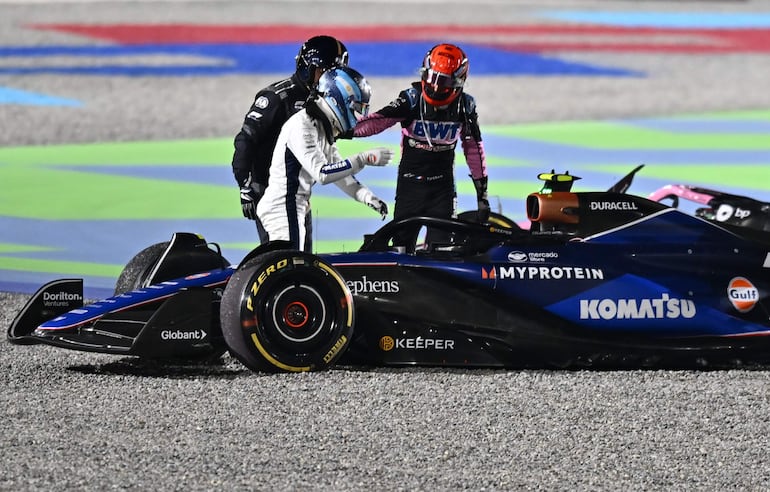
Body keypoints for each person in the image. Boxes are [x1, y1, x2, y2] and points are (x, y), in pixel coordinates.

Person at [348, 43, 490, 227]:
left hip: (443, 191)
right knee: (401, 250)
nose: (436, 87)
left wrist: (482, 195)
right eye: (432, 77)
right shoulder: (411, 99)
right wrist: (342, 130)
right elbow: (378, 121)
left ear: (459, 81)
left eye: (444, 81)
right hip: (409, 188)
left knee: (442, 252)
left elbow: (473, 150)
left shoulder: (466, 106)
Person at [255, 66, 394, 250]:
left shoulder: (321, 126)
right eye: (354, 109)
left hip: (295, 206)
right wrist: (363, 159)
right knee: (290, 270)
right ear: (339, 100)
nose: (355, 117)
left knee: (299, 270)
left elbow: (339, 170)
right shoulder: (302, 126)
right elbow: (323, 173)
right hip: (283, 208)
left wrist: (368, 197)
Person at [231, 35, 349, 249]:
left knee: (303, 257)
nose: (330, 78)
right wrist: (245, 186)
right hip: (269, 190)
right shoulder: (276, 97)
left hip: (298, 192)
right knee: (280, 257)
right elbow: (245, 140)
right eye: (325, 71)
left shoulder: (323, 101)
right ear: (308, 68)